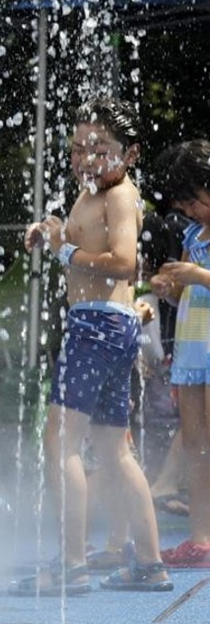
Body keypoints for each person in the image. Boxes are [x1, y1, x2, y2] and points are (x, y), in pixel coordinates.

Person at [13, 97, 171, 594]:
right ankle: (149, 564)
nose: (86, 159)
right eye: (78, 149)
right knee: (113, 450)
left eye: (100, 150)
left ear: (131, 153)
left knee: (60, 442)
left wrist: (64, 250)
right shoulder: (94, 194)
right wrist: (51, 232)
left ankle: (72, 565)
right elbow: (85, 242)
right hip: (107, 327)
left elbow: (124, 262)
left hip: (96, 327)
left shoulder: (121, 195)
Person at [149, 139, 210, 568]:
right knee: (194, 444)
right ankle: (201, 537)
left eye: (195, 201)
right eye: (185, 205)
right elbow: (182, 294)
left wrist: (197, 275)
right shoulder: (193, 234)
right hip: (191, 349)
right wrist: (169, 289)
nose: (190, 210)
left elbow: (200, 280)